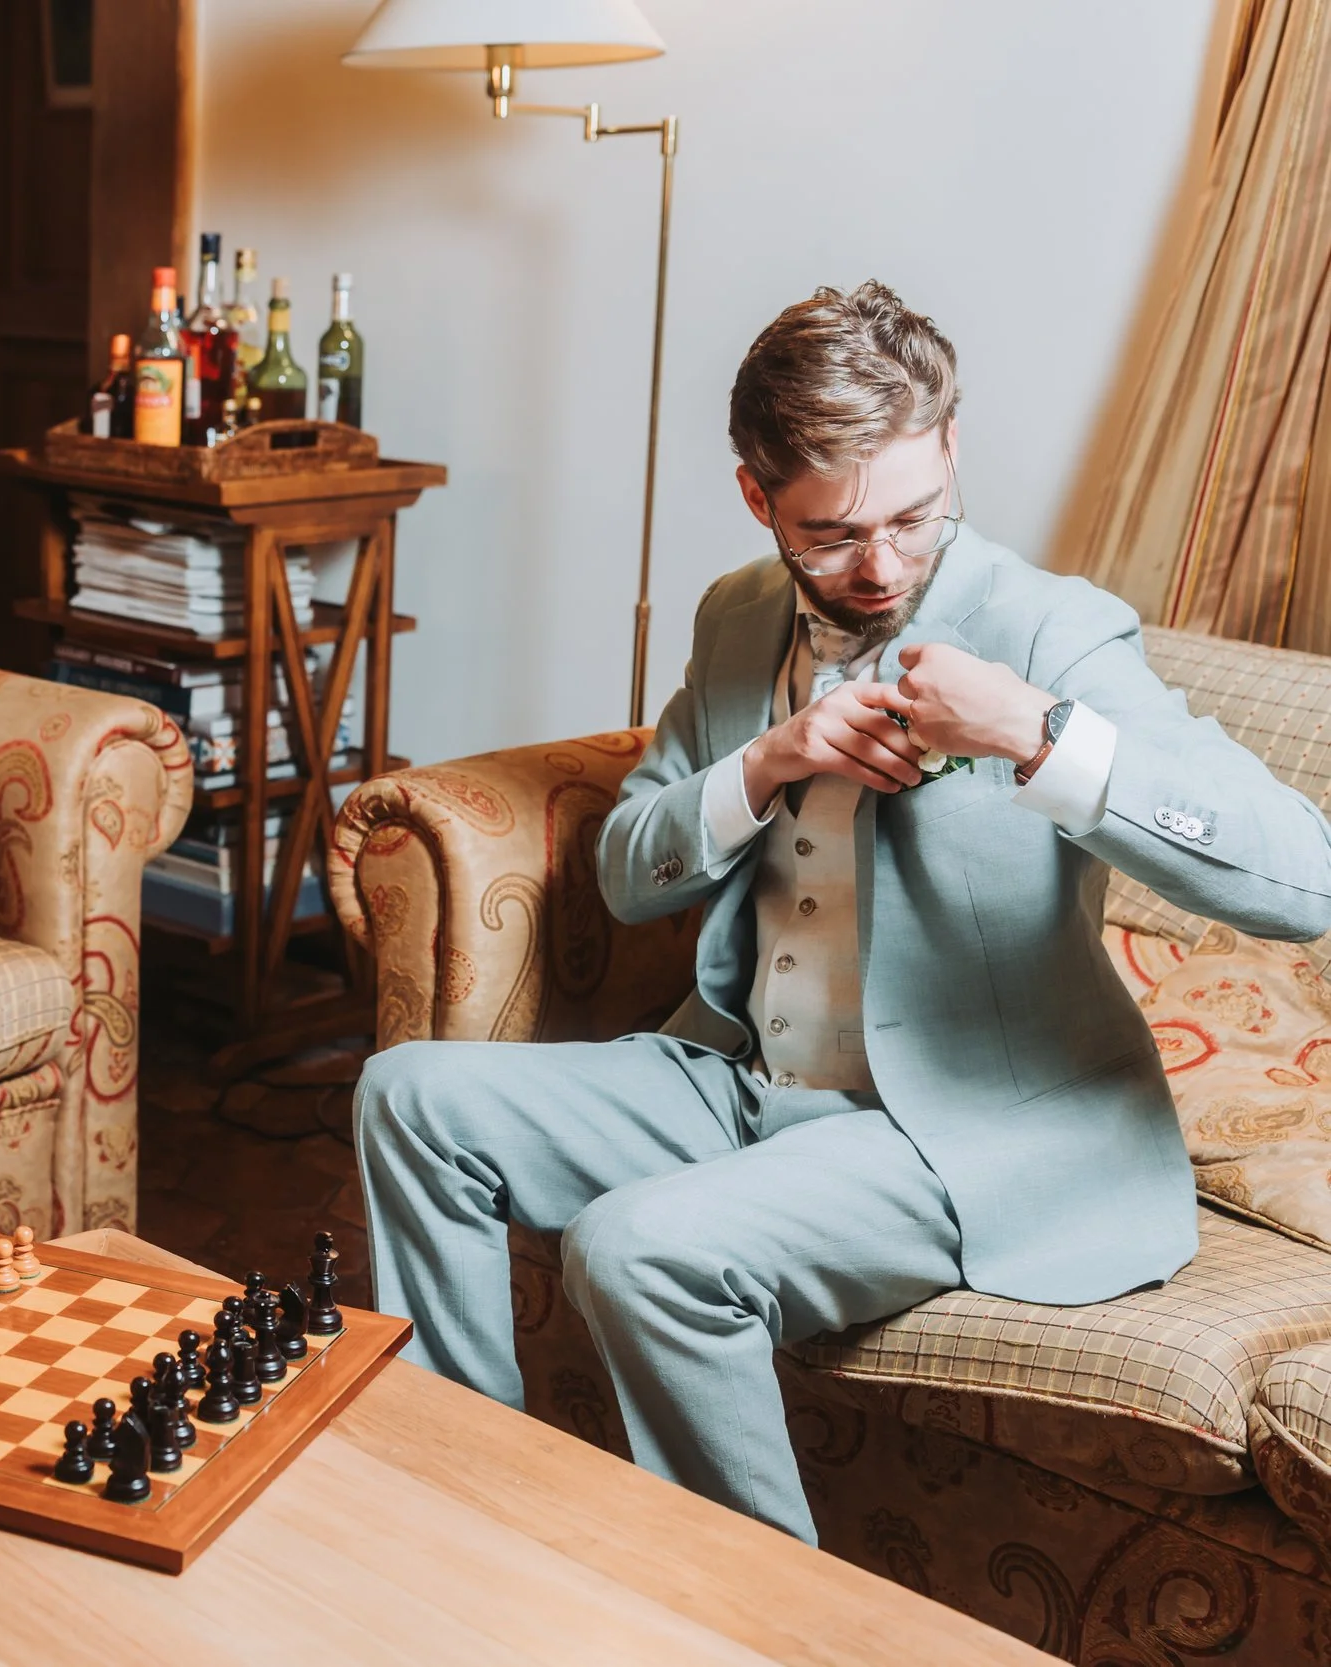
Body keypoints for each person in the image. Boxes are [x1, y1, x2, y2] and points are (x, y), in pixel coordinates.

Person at [355, 282, 1331, 1543]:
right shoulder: (736, 617)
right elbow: (628, 867)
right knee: (411, 1096)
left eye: (915, 518)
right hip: (737, 1079)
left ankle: (766, 1625)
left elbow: (1301, 877)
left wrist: (1034, 735)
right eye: (829, 534)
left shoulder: (1051, 632)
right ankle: (457, 1508)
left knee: (637, 1246)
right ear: (758, 495)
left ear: (951, 447)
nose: (877, 567)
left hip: (961, 1127)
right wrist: (764, 762)